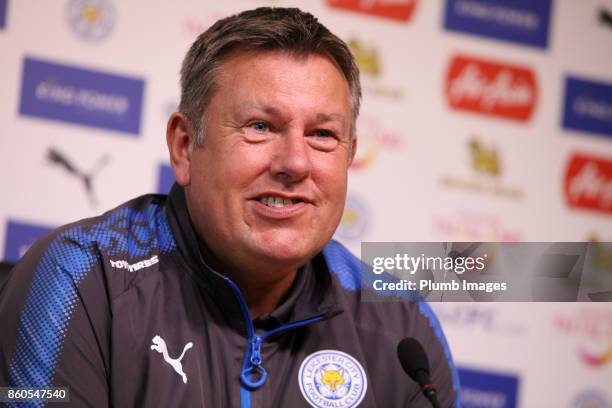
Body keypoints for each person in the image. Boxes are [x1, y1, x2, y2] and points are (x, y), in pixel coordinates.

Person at [0, 7, 460, 407]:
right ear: (184, 147)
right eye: (261, 126)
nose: (295, 163)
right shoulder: (81, 277)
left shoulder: (401, 322)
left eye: (322, 135)